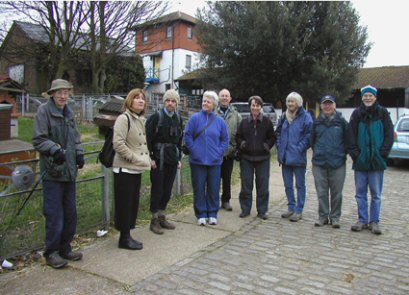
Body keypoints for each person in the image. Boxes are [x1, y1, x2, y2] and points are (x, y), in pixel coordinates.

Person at [32, 79, 85, 269]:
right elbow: (38, 139)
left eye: (66, 92)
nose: (63, 96)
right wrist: (54, 149)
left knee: (71, 212)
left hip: (69, 172)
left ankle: (65, 247)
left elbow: (76, 137)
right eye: (59, 92)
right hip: (53, 172)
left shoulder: (69, 113)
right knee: (54, 214)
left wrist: (79, 154)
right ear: (52, 94)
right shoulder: (44, 112)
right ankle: (51, 252)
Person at [347, 85, 393, 235]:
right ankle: (362, 220)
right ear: (362, 97)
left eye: (370, 96)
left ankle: (374, 221)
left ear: (375, 97)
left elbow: (389, 134)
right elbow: (351, 135)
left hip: (377, 160)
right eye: (365, 95)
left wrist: (383, 153)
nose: (368, 98)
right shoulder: (356, 114)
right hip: (361, 161)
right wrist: (355, 154)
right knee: (360, 193)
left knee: (376, 194)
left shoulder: (383, 113)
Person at [112, 88, 151, 249]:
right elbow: (118, 144)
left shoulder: (139, 119)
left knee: (132, 203)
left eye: (143, 98)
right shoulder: (124, 118)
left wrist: (146, 160)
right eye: (137, 98)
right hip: (124, 168)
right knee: (124, 203)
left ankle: (127, 235)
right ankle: (124, 238)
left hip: (136, 168)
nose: (141, 101)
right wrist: (136, 159)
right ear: (130, 101)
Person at [184, 91, 229, 226]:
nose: (205, 103)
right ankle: (201, 214)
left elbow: (225, 139)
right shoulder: (195, 118)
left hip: (215, 162)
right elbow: (188, 136)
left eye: (208, 101)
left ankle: (212, 213)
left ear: (214, 104)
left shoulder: (220, 121)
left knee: (214, 188)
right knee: (199, 189)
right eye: (204, 101)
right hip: (197, 161)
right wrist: (195, 151)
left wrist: (218, 153)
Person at [145, 89, 183, 234]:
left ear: (176, 103)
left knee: (167, 191)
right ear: (164, 101)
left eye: (173, 101)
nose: (170, 103)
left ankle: (161, 216)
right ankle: (154, 219)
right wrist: (150, 158)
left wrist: (178, 158)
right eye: (168, 100)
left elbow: (179, 140)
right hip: (158, 160)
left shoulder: (178, 119)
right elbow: (147, 139)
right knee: (158, 190)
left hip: (172, 159)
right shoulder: (156, 117)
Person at [310, 95, 348, 228]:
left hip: (337, 163)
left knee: (337, 193)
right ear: (321, 106)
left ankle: (335, 217)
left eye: (330, 104)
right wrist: (319, 152)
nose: (327, 106)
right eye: (325, 104)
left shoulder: (342, 122)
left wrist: (341, 154)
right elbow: (312, 141)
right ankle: (323, 216)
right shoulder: (316, 122)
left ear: (334, 105)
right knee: (321, 192)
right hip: (319, 163)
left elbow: (348, 141)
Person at [236, 96, 275, 219]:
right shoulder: (244, 122)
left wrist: (266, 146)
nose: (255, 108)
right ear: (250, 106)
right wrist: (242, 143)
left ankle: (262, 210)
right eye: (253, 105)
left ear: (261, 107)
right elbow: (238, 136)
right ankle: (245, 209)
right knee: (246, 185)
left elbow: (272, 137)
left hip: (262, 158)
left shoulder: (267, 122)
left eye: (257, 105)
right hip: (246, 158)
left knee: (262, 186)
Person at [276, 92, 313, 222]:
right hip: (285, 157)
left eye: (293, 101)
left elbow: (309, 136)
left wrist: (299, 148)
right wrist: (280, 146)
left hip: (298, 157)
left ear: (298, 103)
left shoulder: (306, 117)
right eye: (289, 101)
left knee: (300, 184)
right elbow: (278, 132)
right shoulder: (284, 117)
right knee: (287, 185)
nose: (290, 104)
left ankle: (299, 209)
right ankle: (291, 207)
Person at [216, 89, 242, 211]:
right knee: (214, 177)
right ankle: (214, 200)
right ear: (219, 98)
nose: (225, 98)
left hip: (229, 152)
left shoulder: (236, 115)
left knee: (227, 178)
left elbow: (240, 133)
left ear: (230, 99)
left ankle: (226, 200)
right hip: (215, 152)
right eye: (222, 96)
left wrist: (237, 148)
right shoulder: (213, 112)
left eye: (227, 96)